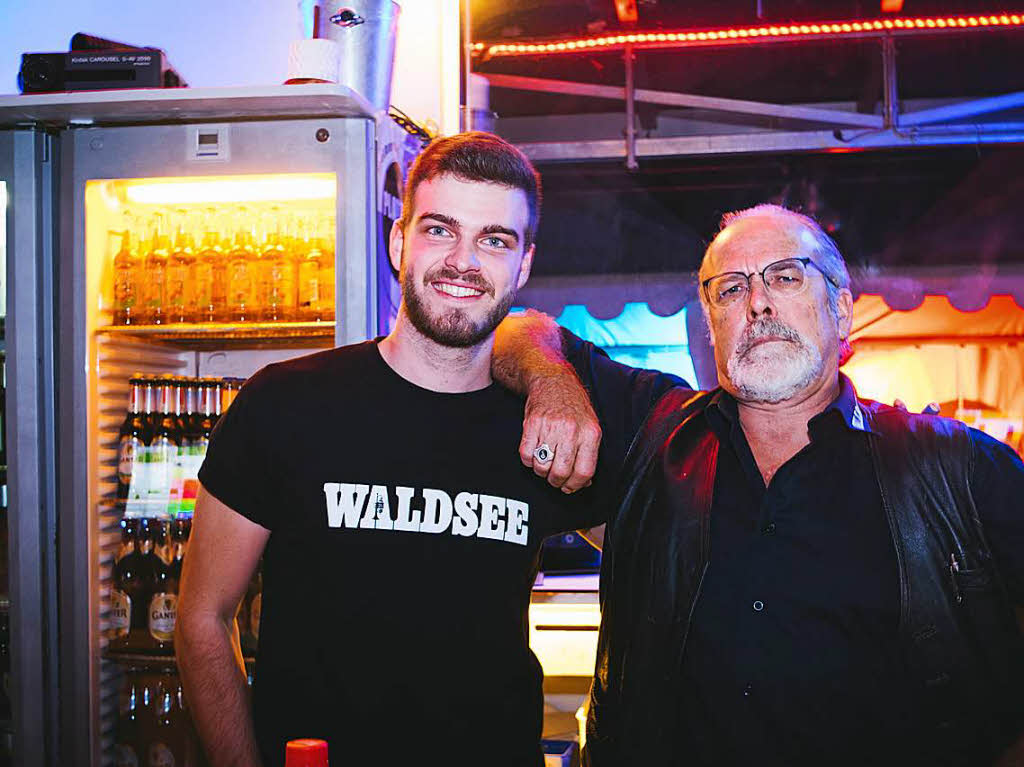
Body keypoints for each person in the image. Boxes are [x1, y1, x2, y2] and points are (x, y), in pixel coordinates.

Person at [175, 132, 652, 767]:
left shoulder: (544, 427)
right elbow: (203, 617)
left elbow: (654, 562)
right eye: (439, 230)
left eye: (494, 240)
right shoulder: (283, 406)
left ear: (525, 265)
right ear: (399, 242)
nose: (464, 261)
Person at [495, 204, 1024, 766]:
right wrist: (553, 382)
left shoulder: (955, 468)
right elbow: (512, 332)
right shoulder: (649, 435)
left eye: (786, 277)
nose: (758, 302)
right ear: (711, 325)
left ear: (841, 309)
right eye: (729, 289)